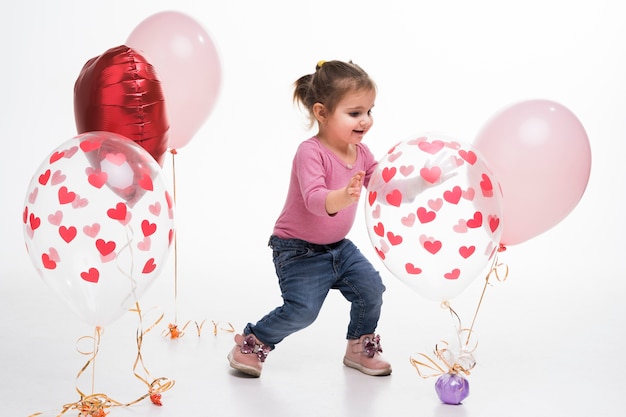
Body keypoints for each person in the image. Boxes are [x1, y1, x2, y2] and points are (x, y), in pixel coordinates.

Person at [227, 60, 391, 377]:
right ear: (321, 113)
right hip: (297, 250)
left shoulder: (363, 153)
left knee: (371, 288)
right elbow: (315, 200)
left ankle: (359, 347)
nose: (366, 120)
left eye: (369, 111)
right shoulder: (310, 152)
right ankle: (254, 340)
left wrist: (418, 180)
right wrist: (345, 195)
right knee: (302, 311)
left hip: (338, 248)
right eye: (355, 113)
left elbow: (384, 185)